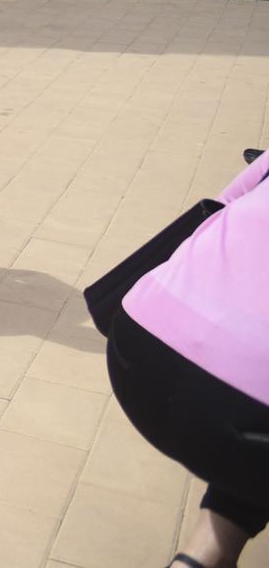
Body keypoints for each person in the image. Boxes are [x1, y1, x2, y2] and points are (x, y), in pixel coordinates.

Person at [110, 151, 269, 568]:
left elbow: (218, 207)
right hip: (244, 406)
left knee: (248, 450)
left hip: (136, 350)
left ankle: (202, 558)